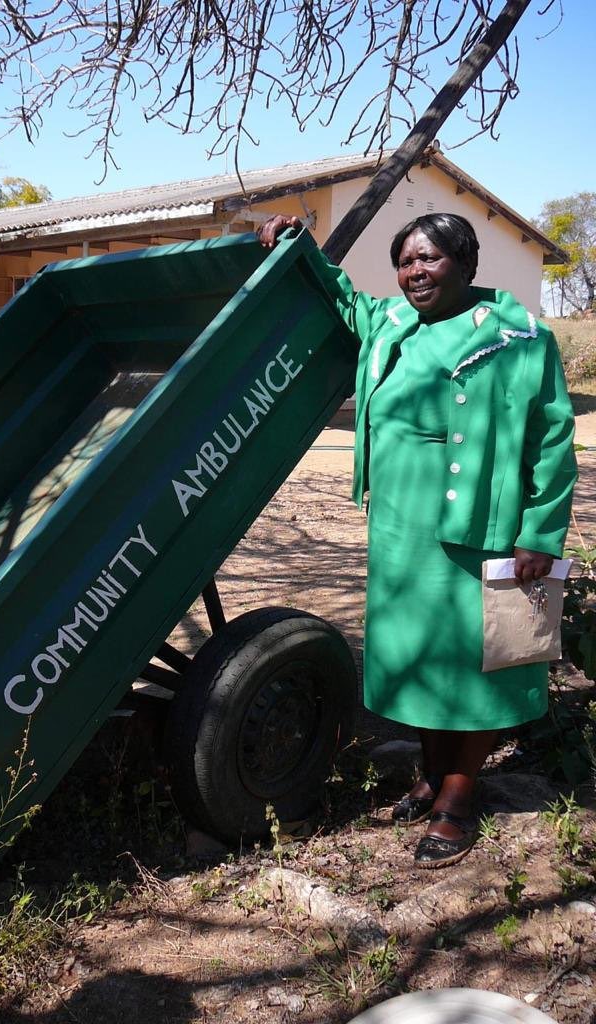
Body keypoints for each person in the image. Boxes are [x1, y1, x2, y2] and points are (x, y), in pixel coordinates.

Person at [259, 212, 577, 868]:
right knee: (425, 659)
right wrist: (299, 246)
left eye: (429, 259)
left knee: (480, 665)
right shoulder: (393, 324)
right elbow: (342, 296)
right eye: (405, 261)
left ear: (466, 263)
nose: (415, 272)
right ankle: (434, 773)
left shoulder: (519, 336)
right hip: (401, 531)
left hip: (481, 527)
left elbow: (553, 437)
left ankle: (459, 795)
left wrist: (539, 531)